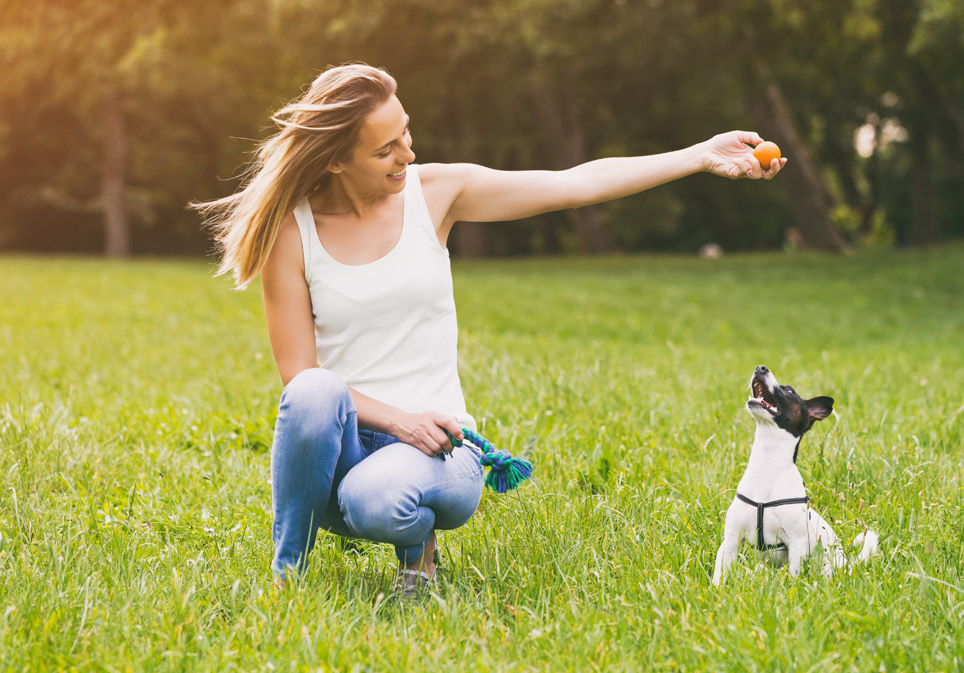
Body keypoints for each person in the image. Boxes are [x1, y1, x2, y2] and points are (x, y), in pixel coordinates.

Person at [194, 63, 784, 596]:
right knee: (311, 392)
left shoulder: (437, 193)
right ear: (335, 160)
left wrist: (700, 154)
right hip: (347, 447)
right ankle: (286, 576)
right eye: (385, 149)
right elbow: (298, 374)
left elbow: (574, 183)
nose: (407, 153)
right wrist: (399, 420)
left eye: (406, 133)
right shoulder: (292, 232)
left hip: (444, 449)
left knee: (373, 500)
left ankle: (416, 561)